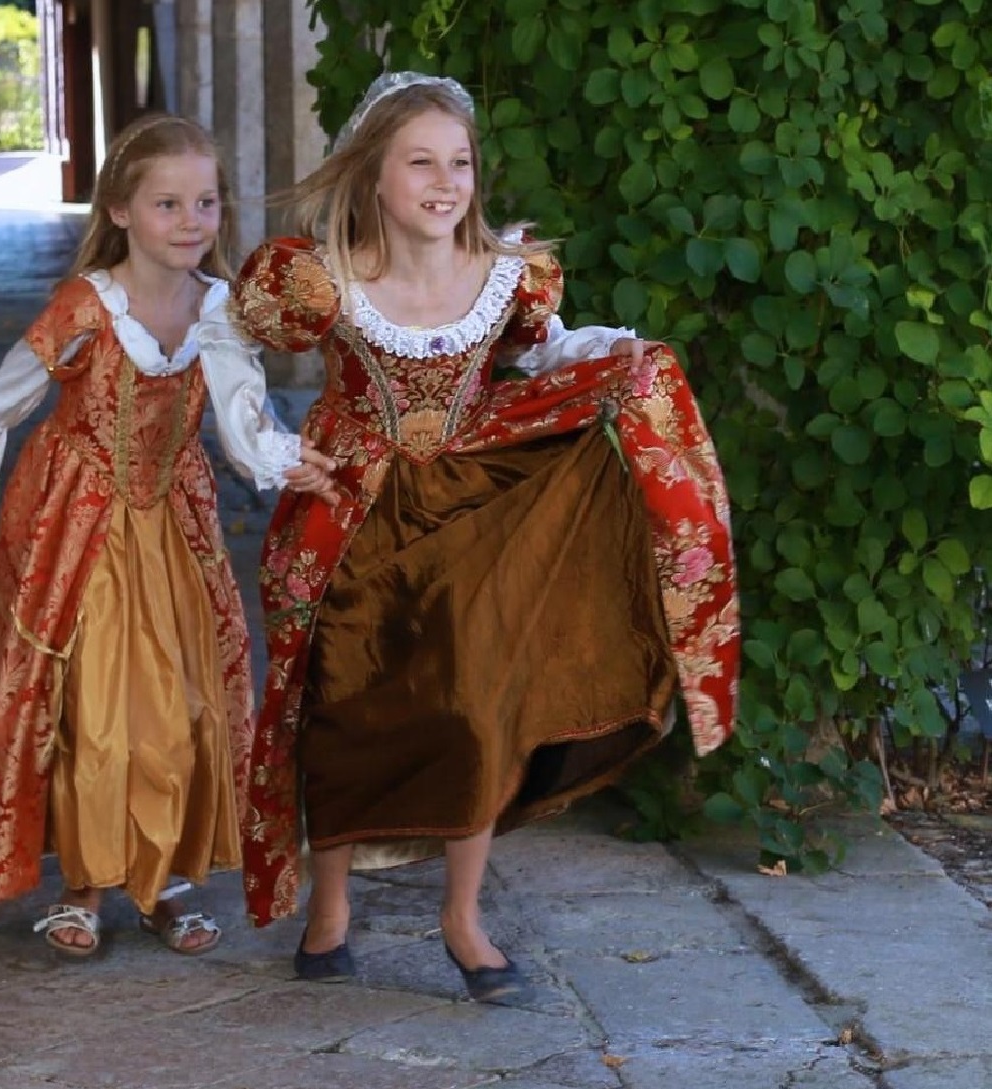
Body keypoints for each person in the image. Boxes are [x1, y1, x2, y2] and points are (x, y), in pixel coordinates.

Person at [229, 72, 740, 1006]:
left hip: (475, 507)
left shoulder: (512, 274)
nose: (443, 181)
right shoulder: (319, 277)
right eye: (419, 161)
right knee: (342, 703)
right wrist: (264, 446)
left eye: (458, 162)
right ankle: (329, 905)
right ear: (372, 176)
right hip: (349, 510)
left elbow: (544, 350)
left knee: (474, 703)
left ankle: (461, 918)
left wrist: (605, 353)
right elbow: (232, 349)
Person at [0, 114, 330, 958]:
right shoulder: (85, 307)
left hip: (175, 524)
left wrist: (293, 461)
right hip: (78, 526)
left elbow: (245, 425)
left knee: (182, 697)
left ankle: (165, 876)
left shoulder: (221, 312)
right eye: (168, 202)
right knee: (90, 703)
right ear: (121, 211)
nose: (191, 221)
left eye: (205, 202)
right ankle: (86, 881)